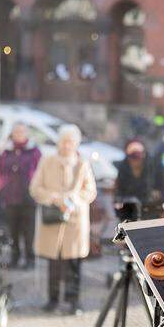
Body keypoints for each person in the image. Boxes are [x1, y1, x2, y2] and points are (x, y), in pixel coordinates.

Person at [30, 124, 97, 315]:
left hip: (74, 221)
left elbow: (90, 191)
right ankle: (52, 299)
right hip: (52, 219)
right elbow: (35, 188)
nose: (67, 145)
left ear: (76, 144)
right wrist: (54, 198)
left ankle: (74, 301)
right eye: (64, 141)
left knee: (74, 263)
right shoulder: (47, 161)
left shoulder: (82, 164)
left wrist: (73, 199)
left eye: (71, 142)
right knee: (53, 262)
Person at [0, 122, 41, 269]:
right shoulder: (6, 151)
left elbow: (39, 173)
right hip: (10, 197)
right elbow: (0, 171)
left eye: (22, 132)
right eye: (16, 132)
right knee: (13, 231)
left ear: (27, 133)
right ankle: (15, 258)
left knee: (28, 232)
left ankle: (30, 259)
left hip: (28, 197)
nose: (19, 134)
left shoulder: (34, 151)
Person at [114, 138, 160, 220]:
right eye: (133, 157)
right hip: (129, 210)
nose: (136, 161)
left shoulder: (152, 167)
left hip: (149, 208)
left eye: (138, 156)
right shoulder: (123, 168)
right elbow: (119, 190)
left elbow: (159, 186)